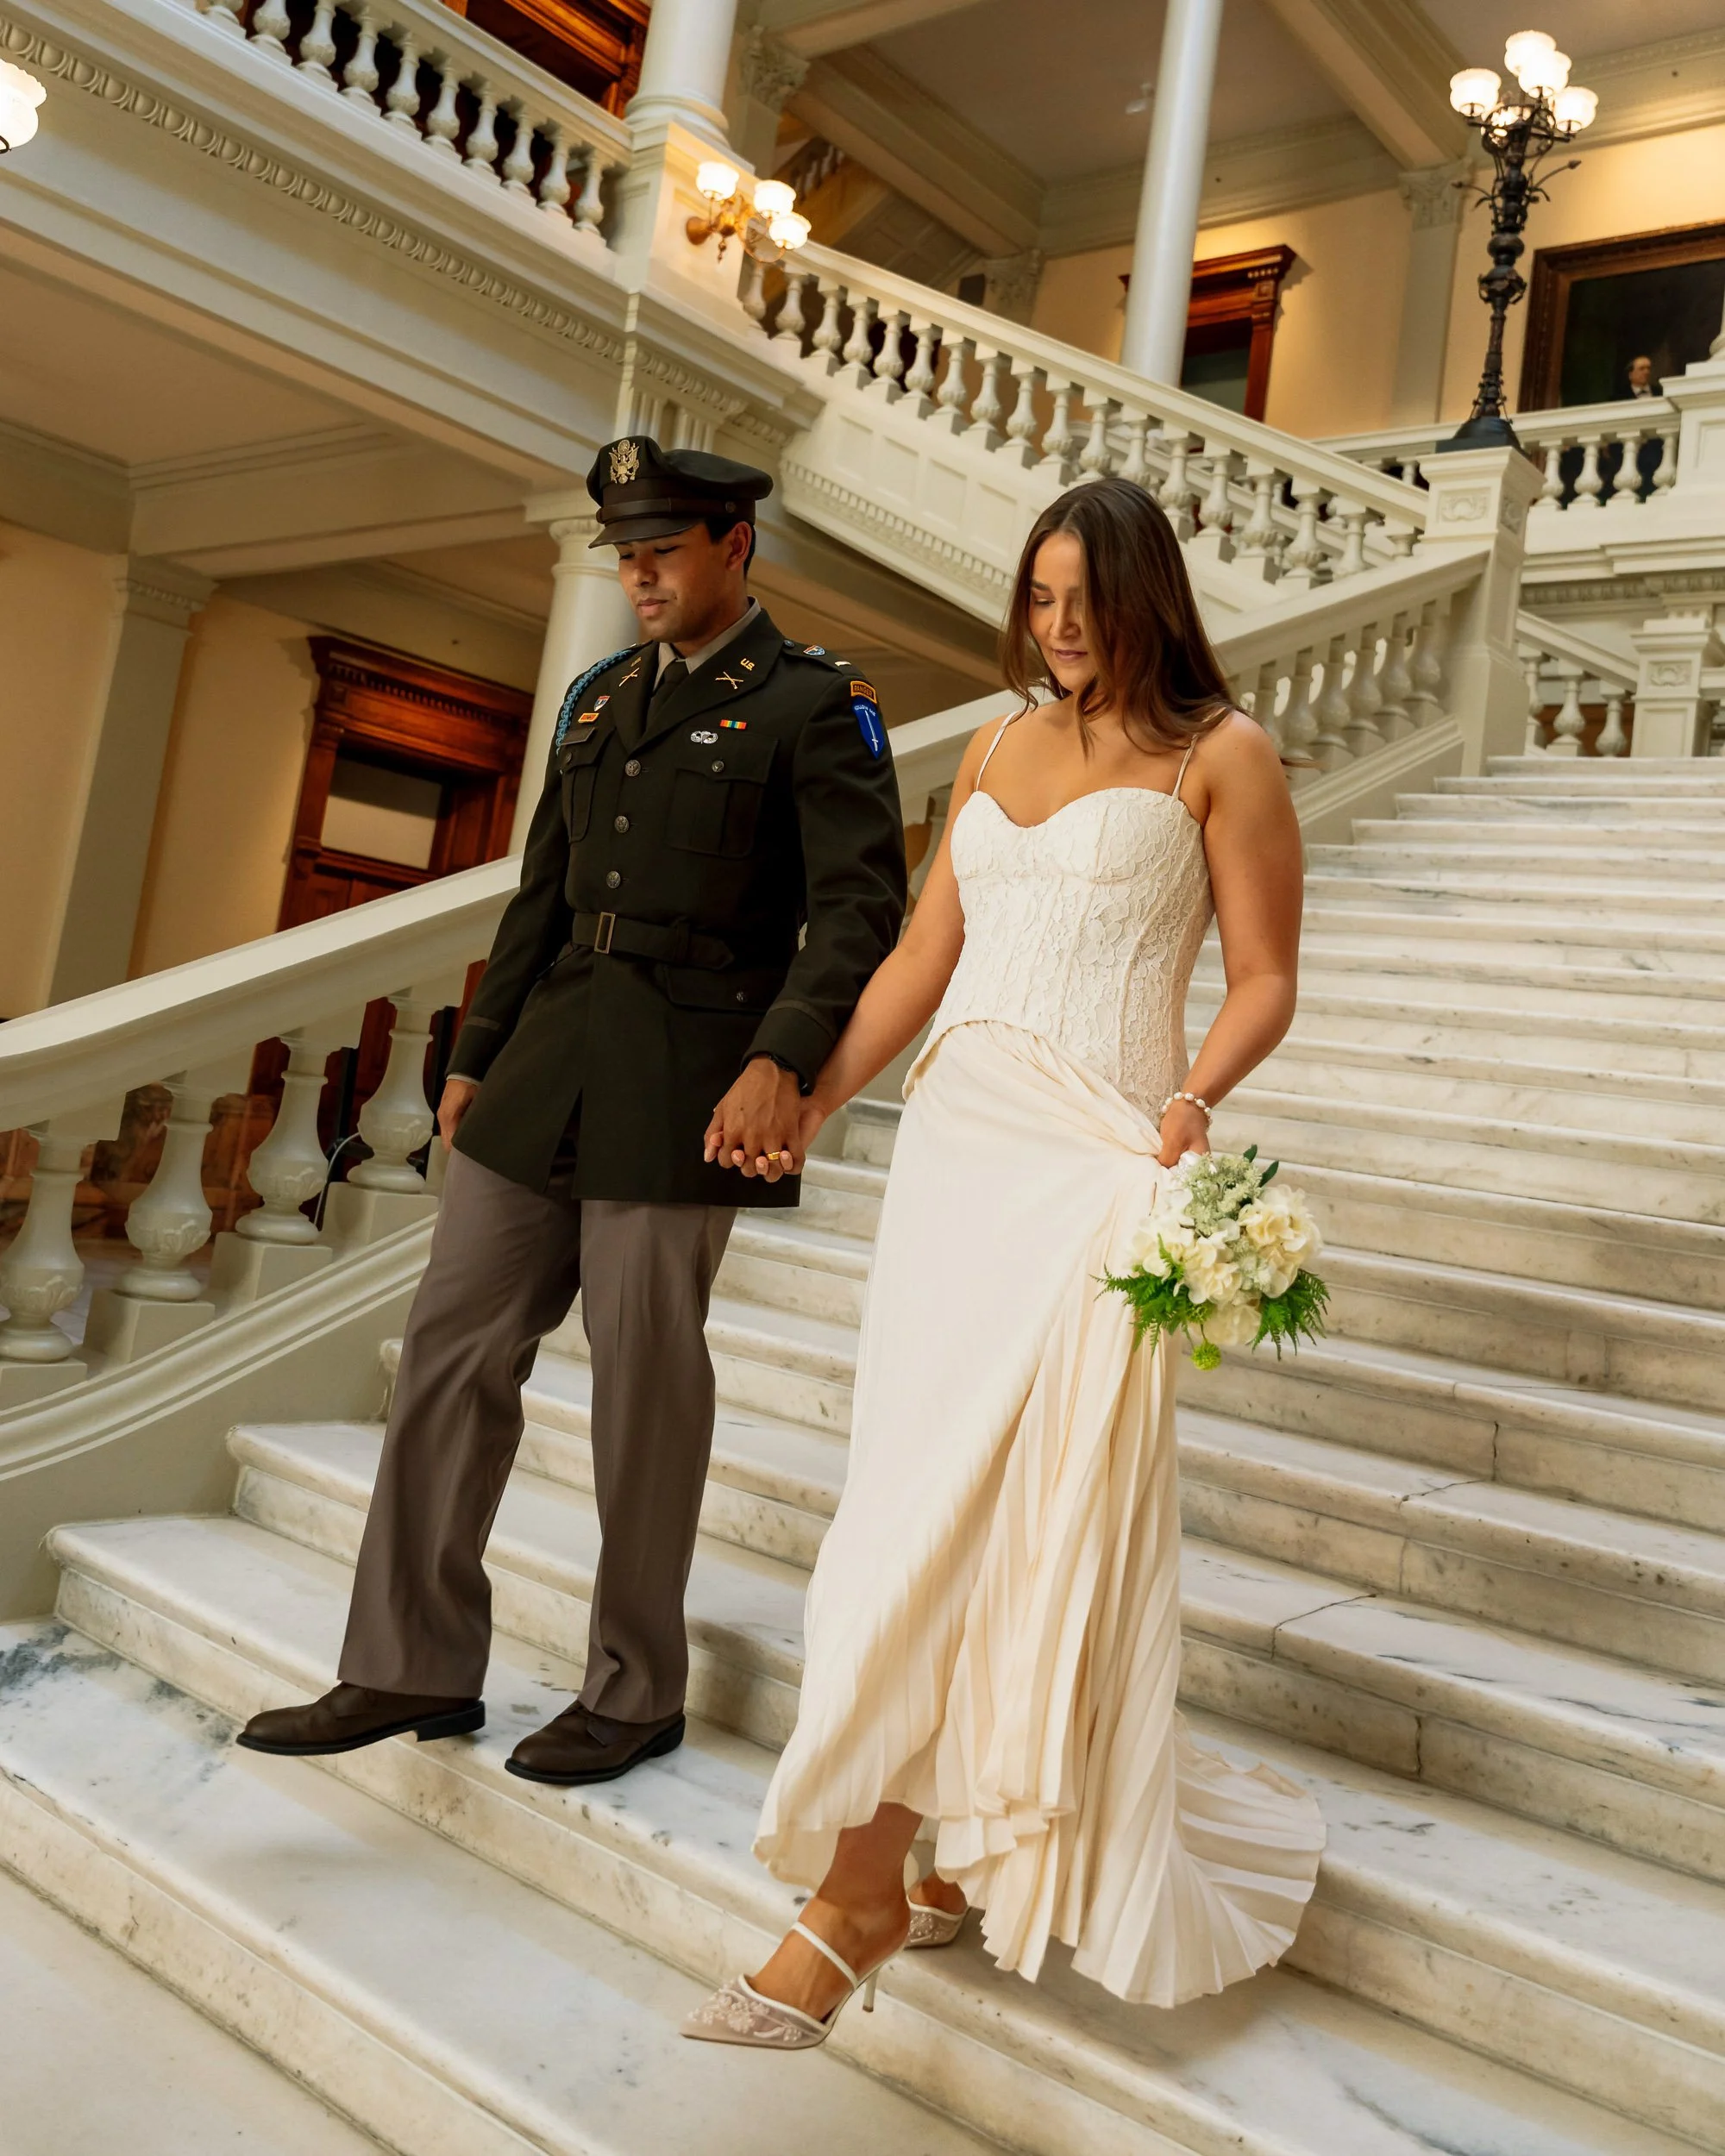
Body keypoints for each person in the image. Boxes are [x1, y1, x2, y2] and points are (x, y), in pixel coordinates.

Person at [685, 475, 1325, 2050]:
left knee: (1002, 1517)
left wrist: (1186, 1112)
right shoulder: (991, 740)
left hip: (1094, 1163)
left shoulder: (1221, 756)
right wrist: (825, 1094)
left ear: (1146, 596)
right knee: (914, 1497)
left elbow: (1266, 977)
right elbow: (922, 953)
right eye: (1038, 600)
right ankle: (930, 1859)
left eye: (1082, 600)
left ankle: (852, 1903)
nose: (1058, 628)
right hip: (957, 1159)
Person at [238, 436, 906, 1787]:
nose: (637, 573)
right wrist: (482, 1043)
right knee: (447, 1349)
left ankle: (634, 1688)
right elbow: (540, 890)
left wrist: (785, 1055)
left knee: (645, 1387)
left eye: (661, 549)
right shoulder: (597, 702)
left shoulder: (812, 705)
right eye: (625, 552)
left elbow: (859, 905)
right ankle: (407, 1663)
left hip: (692, 1081)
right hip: (547, 1061)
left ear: (736, 544)